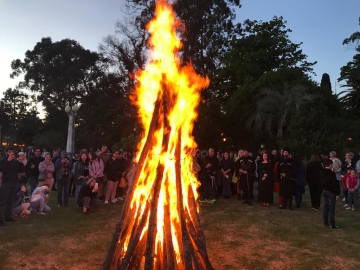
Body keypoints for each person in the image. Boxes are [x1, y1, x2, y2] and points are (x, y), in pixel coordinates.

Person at [0, 146, 25, 225]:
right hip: (6, 183)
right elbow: (2, 170)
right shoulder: (3, 161)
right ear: (6, 152)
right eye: (9, 151)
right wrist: (8, 161)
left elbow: (22, 170)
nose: (11, 153)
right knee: (2, 201)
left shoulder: (15, 162)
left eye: (12, 152)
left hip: (14, 183)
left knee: (10, 201)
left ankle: (8, 216)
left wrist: (21, 162)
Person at [320, 159, 341, 229]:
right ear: (330, 165)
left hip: (324, 190)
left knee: (325, 207)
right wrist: (337, 193)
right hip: (331, 192)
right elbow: (334, 184)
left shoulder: (322, 172)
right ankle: (332, 224)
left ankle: (325, 222)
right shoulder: (331, 174)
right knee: (331, 208)